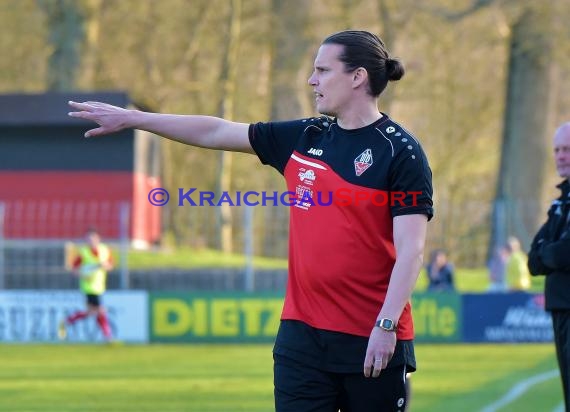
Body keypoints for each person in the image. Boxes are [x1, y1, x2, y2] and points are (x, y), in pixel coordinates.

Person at [68, 30, 433, 411]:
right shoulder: (304, 138)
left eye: (323, 71)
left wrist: (386, 325)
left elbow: (412, 250)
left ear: (357, 77)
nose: (312, 80)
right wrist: (135, 119)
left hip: (373, 338)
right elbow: (216, 130)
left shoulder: (401, 152)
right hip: (301, 339)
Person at [528, 122, 570, 411]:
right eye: (557, 149)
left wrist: (550, 254)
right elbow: (533, 259)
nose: (561, 156)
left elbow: (565, 253)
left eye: (567, 149)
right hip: (560, 306)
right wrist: (551, 254)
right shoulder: (559, 203)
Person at [58, 228, 114, 341]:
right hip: (89, 287)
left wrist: (105, 266)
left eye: (93, 238)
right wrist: (83, 275)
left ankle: (67, 321)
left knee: (91, 312)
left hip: (100, 286)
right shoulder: (84, 253)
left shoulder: (104, 250)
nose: (91, 241)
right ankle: (108, 336)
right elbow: (74, 269)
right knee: (100, 311)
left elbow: (110, 265)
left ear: (98, 239)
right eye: (88, 239)